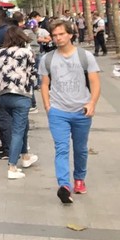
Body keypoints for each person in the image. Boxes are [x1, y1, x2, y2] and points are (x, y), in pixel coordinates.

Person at [39, 19, 100, 204]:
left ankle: (79, 179)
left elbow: (95, 82)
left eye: (61, 34)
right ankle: (64, 186)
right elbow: (44, 84)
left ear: (70, 35)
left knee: (80, 149)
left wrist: (92, 103)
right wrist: (48, 106)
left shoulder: (85, 56)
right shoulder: (47, 59)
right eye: (54, 35)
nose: (58, 38)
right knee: (61, 148)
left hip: (82, 111)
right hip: (58, 111)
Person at [0, 25, 40, 182]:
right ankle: (12, 166)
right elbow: (33, 75)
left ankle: (25, 156)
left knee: (22, 126)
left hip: (2, 95)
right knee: (18, 130)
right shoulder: (27, 53)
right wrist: (31, 89)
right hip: (21, 95)